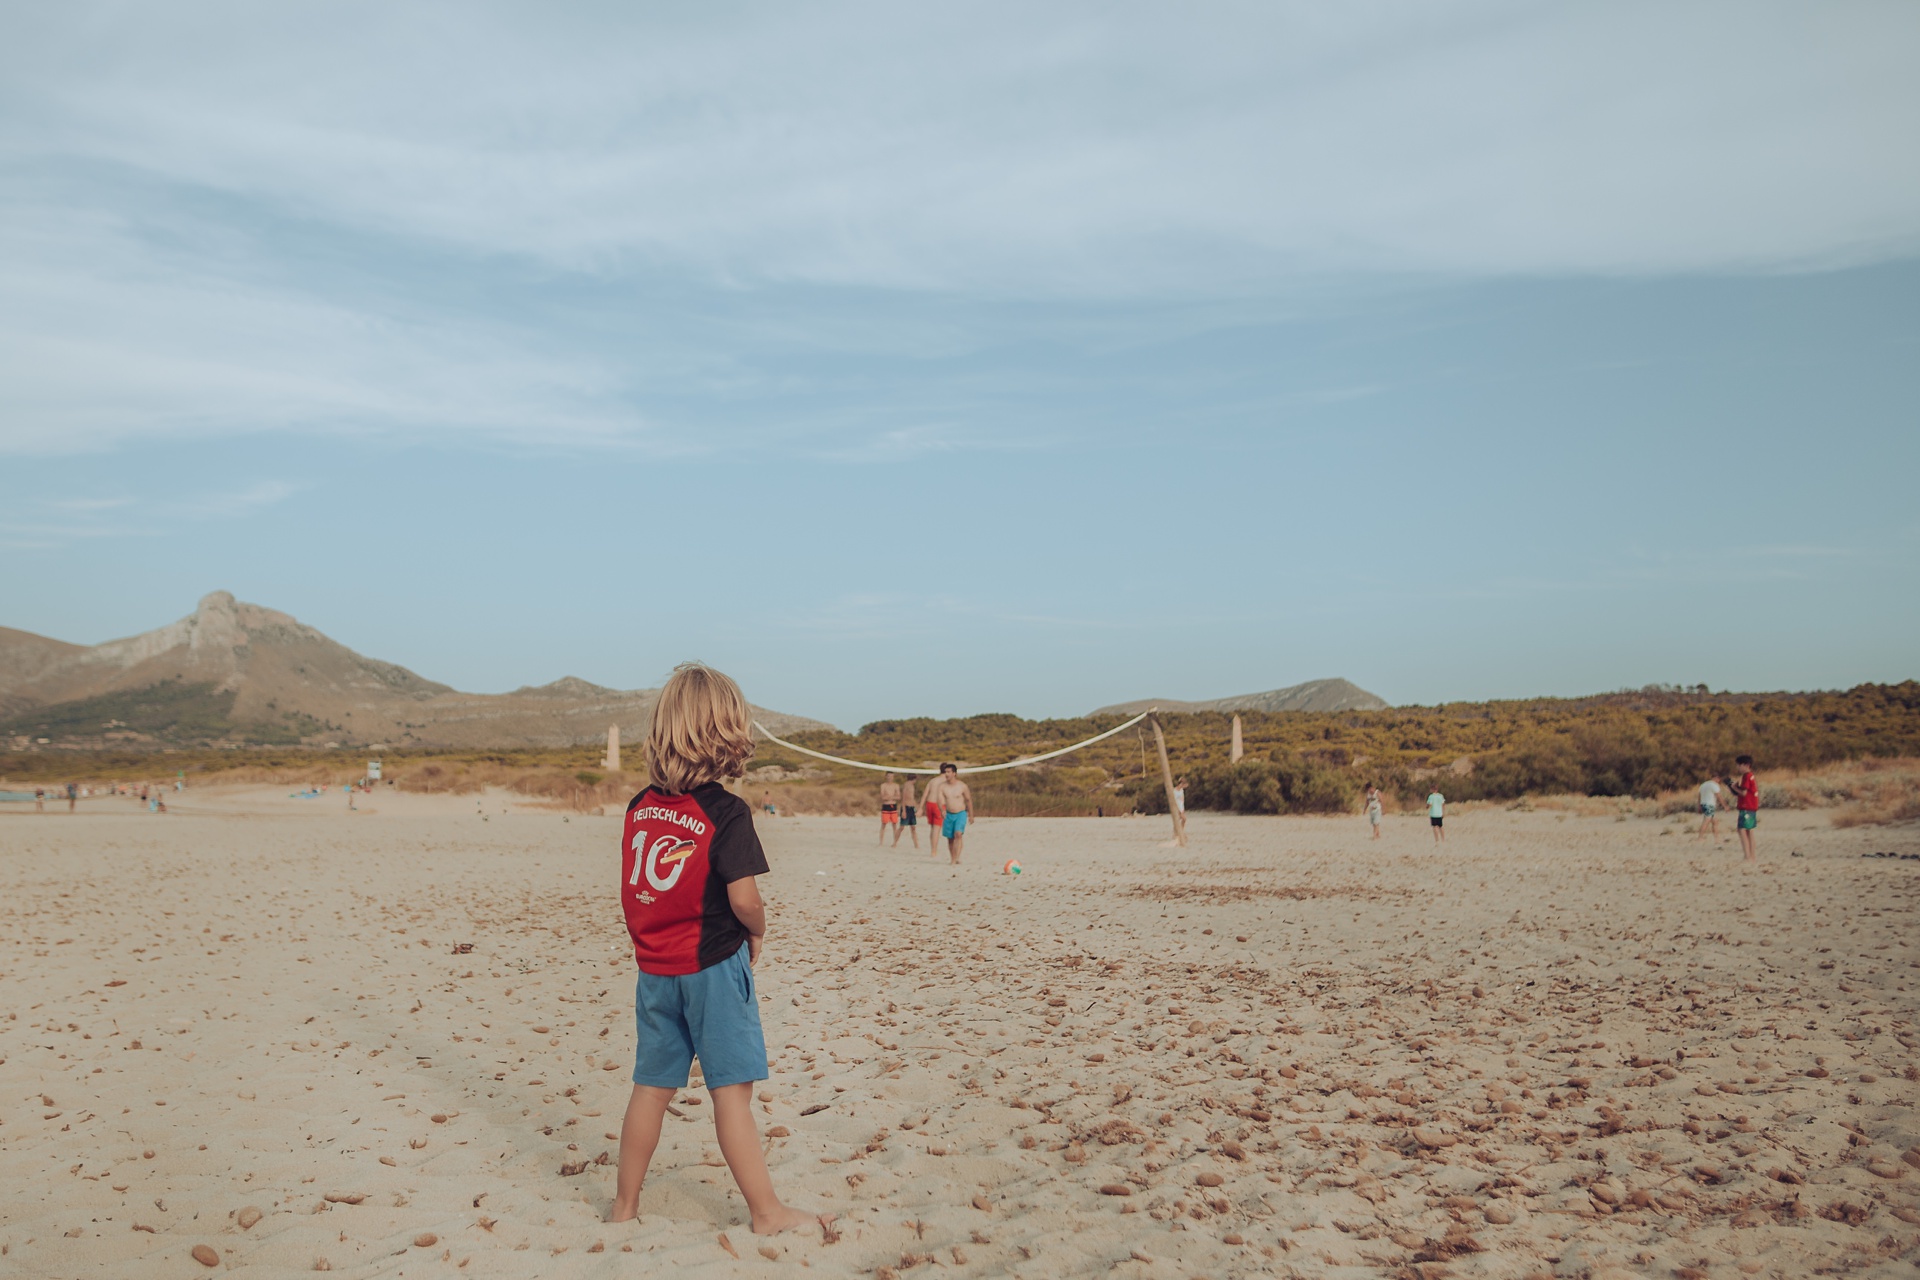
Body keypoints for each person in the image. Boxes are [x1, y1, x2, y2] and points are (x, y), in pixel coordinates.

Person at [608, 663, 828, 1237]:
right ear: (726, 732)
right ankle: (766, 1212)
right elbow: (745, 898)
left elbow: (643, 890)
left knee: (650, 1089)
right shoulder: (725, 812)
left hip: (655, 972)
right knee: (731, 1094)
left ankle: (624, 1207)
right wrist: (758, 930)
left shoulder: (638, 808)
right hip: (711, 966)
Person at [924, 762, 972, 866]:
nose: (947, 774)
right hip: (949, 814)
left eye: (949, 772)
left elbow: (968, 800)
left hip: (961, 813)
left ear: (954, 773)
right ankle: (953, 857)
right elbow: (940, 800)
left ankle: (956, 859)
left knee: (958, 834)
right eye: (945, 772)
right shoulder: (942, 786)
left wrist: (971, 815)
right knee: (950, 839)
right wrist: (942, 810)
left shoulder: (962, 786)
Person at [1730, 754, 1759, 863]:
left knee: (1742, 829)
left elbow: (1744, 792)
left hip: (1747, 806)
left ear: (1746, 765)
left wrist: (1734, 787)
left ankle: (1748, 856)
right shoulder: (1751, 776)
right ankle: (1752, 855)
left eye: (1739, 765)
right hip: (1751, 806)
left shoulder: (1746, 776)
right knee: (1749, 830)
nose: (1738, 768)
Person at [1695, 775, 1724, 842]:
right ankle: (1700, 837)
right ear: (1716, 778)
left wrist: (1699, 806)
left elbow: (1699, 796)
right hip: (1710, 805)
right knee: (1706, 820)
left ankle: (1717, 838)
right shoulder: (1714, 785)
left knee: (1715, 822)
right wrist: (1724, 805)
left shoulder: (1703, 785)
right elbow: (1719, 796)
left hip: (1703, 804)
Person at [897, 776, 920, 849]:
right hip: (906, 807)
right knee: (901, 827)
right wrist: (903, 810)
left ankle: (916, 845)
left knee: (913, 828)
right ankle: (895, 842)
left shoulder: (912, 786)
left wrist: (916, 807)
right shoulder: (906, 786)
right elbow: (903, 798)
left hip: (911, 808)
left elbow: (912, 798)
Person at [878, 773, 901, 844]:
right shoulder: (883, 785)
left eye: (891, 776)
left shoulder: (896, 786)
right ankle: (881, 842)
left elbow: (898, 797)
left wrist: (890, 797)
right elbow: (883, 797)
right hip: (886, 806)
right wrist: (892, 797)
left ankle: (895, 842)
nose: (890, 778)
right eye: (888, 776)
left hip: (893, 806)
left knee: (894, 825)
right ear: (886, 777)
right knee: (883, 824)